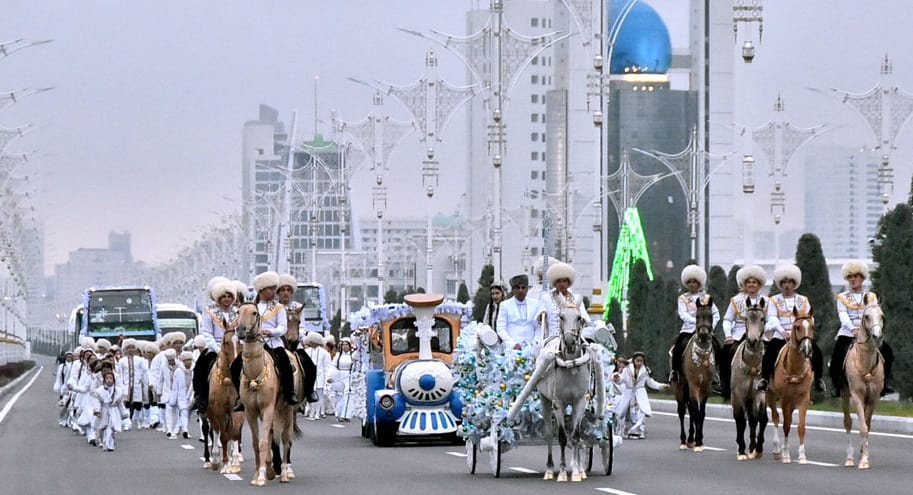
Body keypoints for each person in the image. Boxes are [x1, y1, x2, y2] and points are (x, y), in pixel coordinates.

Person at [230, 271, 299, 408]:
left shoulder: (278, 307)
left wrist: (271, 332)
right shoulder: (251, 307)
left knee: (285, 364)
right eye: (271, 289)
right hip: (253, 346)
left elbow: (283, 327)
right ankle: (241, 396)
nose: (274, 292)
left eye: (274, 289)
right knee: (235, 366)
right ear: (262, 290)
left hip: (273, 344)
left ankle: (289, 393)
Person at [758, 264, 826, 392]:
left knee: (817, 352)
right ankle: (765, 380)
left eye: (789, 282)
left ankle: (818, 380)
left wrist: (804, 332)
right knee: (769, 354)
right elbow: (772, 318)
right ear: (780, 284)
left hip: (800, 336)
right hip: (781, 335)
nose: (787, 285)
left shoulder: (803, 300)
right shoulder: (773, 300)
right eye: (784, 282)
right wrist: (783, 331)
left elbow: (810, 318)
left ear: (794, 283)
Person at [830, 260, 894, 397]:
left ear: (862, 278)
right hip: (848, 332)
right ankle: (837, 386)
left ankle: (884, 384)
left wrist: (874, 330)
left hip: (869, 334)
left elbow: (875, 313)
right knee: (836, 356)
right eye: (850, 277)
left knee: (888, 352)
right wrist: (852, 328)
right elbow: (843, 314)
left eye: (856, 276)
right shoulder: (842, 297)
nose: (853, 280)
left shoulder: (871, 297)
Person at [721, 265, 767, 401]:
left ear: (759, 284)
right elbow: (727, 319)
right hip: (739, 334)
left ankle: (770, 383)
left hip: (761, 334)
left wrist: (765, 332)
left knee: (772, 356)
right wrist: (728, 335)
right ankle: (724, 384)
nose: (751, 285)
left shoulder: (766, 301)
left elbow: (771, 319)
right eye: (748, 282)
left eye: (754, 282)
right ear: (744, 284)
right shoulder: (736, 300)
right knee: (724, 354)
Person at [192, 279, 237, 412]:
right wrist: (219, 350)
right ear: (218, 298)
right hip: (215, 346)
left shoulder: (237, 311)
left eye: (229, 296)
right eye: (224, 297)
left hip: (234, 346)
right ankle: (201, 397)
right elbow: (207, 333)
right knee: (200, 366)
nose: (227, 299)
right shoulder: (209, 311)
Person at [669, 265, 720, 382]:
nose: (692, 284)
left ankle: (715, 373)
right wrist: (697, 323)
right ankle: (675, 371)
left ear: (699, 283)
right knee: (678, 347)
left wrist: (709, 326)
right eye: (690, 282)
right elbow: (683, 314)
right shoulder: (682, 298)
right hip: (688, 329)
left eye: (694, 282)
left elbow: (716, 314)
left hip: (706, 330)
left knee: (717, 347)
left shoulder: (707, 298)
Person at [276, 273, 319, 404]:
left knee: (311, 367)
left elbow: (303, 327)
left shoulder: (298, 307)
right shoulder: (273, 307)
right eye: (282, 290)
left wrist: (299, 336)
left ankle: (308, 392)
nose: (285, 293)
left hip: (294, 344)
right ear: (278, 292)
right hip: (278, 343)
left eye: (288, 290)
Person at [495, 274, 559, 352]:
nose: (520, 290)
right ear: (513, 289)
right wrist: (512, 344)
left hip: (531, 348)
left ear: (527, 289)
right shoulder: (505, 305)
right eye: (517, 288)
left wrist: (535, 343)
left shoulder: (536, 303)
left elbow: (538, 326)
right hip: (512, 349)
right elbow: (500, 328)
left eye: (523, 287)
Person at [614, 351, 669, 439]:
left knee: (640, 412)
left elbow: (651, 383)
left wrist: (661, 386)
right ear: (634, 360)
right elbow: (621, 380)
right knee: (625, 412)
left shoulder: (645, 371)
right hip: (628, 393)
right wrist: (617, 378)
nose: (639, 363)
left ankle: (638, 430)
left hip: (640, 394)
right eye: (637, 361)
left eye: (641, 361)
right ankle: (626, 430)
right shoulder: (627, 370)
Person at [116, 338, 149, 429]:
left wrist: (145, 384)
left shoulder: (140, 360)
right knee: (126, 403)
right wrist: (121, 385)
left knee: (138, 404)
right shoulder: (122, 361)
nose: (130, 349)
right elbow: (120, 374)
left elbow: (144, 372)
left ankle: (135, 419)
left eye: (132, 347)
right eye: (128, 347)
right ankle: (127, 422)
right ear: (125, 349)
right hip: (126, 385)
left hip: (137, 385)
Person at [546, 261, 591, 326]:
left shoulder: (576, 298)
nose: (562, 284)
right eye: (559, 281)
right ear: (554, 282)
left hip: (573, 333)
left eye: (564, 281)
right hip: (552, 334)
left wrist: (581, 319)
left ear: (568, 282)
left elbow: (586, 318)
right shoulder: (547, 298)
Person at [92, 369, 126, 452]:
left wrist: (123, 413)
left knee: (111, 427)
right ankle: (103, 441)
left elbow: (120, 404)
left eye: (111, 378)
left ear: (114, 380)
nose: (109, 380)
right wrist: (97, 410)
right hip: (104, 410)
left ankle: (109, 445)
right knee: (103, 427)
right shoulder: (100, 391)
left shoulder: (118, 391)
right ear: (104, 380)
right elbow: (97, 402)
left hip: (114, 411)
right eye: (107, 378)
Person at [303, 332, 333, 420]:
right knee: (310, 395)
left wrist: (327, 377)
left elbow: (327, 366)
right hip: (309, 377)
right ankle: (311, 412)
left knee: (319, 396)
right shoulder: (307, 351)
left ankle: (317, 413)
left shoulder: (324, 353)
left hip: (320, 377)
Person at [332, 337, 358, 422]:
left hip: (349, 376)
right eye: (343, 345)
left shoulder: (353, 355)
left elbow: (356, 366)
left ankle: (346, 415)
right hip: (340, 376)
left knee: (348, 395)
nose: (344, 346)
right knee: (340, 395)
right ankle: (338, 414)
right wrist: (332, 376)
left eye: (346, 345)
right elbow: (333, 366)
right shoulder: (338, 355)